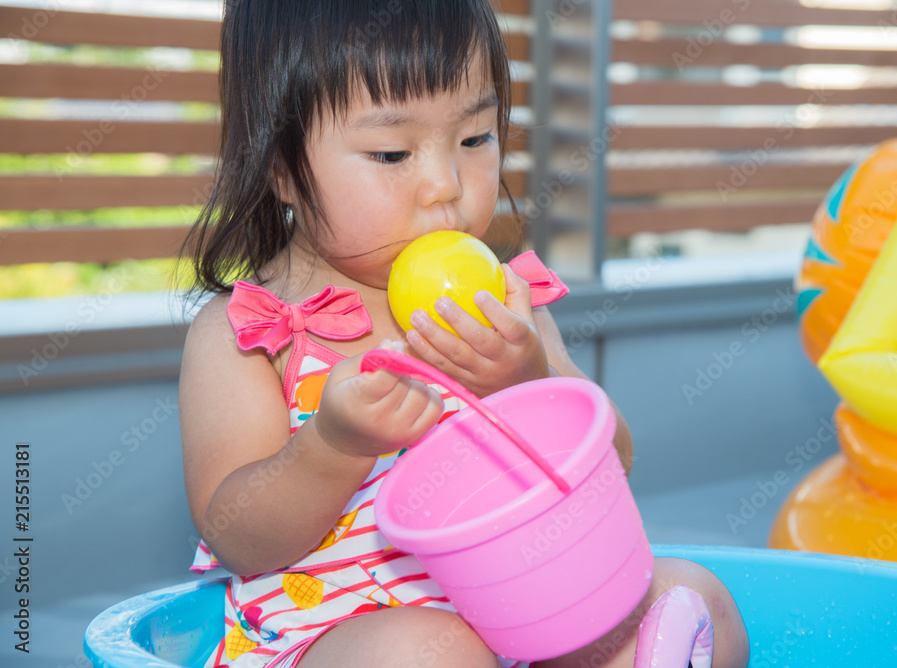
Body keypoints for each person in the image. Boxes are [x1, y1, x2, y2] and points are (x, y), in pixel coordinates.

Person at [178, 1, 750, 667]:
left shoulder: (503, 304)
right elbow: (238, 535)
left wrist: (530, 384)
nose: (445, 186)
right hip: (328, 641)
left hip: (521, 627)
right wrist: (332, 446)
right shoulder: (256, 331)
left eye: (475, 139)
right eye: (392, 153)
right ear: (280, 165)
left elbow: (614, 462)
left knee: (696, 600)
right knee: (433, 653)